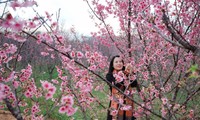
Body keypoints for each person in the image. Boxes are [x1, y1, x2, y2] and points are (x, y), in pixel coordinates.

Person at [106, 55, 140, 120]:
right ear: (112, 65)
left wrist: (131, 73)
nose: (119, 63)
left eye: (120, 61)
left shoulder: (127, 73)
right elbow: (116, 85)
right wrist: (125, 74)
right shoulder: (109, 75)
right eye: (116, 62)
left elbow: (134, 84)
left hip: (128, 104)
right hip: (115, 105)